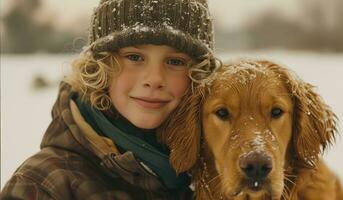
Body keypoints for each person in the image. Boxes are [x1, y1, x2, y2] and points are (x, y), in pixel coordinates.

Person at [1, 0, 216, 199]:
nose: (155, 79)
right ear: (100, 66)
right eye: (134, 57)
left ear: (198, 74)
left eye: (175, 61)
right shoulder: (44, 185)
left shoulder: (214, 173)